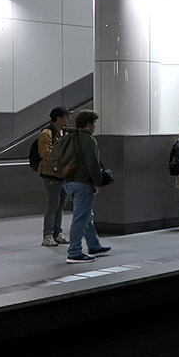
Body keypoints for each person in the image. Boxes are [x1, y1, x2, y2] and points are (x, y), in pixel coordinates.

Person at [63, 110, 111, 263]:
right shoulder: (88, 139)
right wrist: (97, 183)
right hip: (83, 183)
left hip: (68, 181)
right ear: (89, 124)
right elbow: (93, 163)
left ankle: (94, 245)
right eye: (94, 123)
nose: (95, 126)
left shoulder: (70, 137)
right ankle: (74, 252)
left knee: (86, 215)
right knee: (81, 218)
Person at [37, 106, 72, 247]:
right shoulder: (47, 133)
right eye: (66, 116)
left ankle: (57, 233)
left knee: (61, 204)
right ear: (59, 118)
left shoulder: (64, 132)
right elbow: (44, 153)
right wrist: (63, 156)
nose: (69, 119)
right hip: (51, 174)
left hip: (63, 173)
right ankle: (47, 235)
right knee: (53, 205)